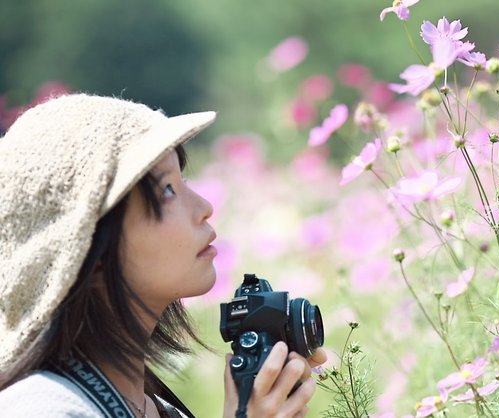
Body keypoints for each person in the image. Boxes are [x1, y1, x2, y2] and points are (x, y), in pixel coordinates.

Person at [0, 93, 326, 417]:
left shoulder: (157, 409)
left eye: (182, 180)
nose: (204, 208)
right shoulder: (41, 408)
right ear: (88, 248)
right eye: (167, 190)